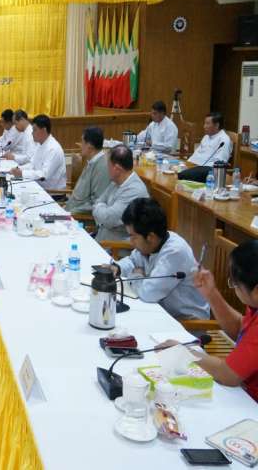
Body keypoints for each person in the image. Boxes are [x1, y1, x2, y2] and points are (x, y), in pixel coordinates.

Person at [158, 240, 258, 400]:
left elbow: (228, 374)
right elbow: (241, 329)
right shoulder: (254, 303)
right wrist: (210, 293)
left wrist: (184, 353)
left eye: (234, 283)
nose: (234, 287)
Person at [111, 198, 209, 320]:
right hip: (161, 311)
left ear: (150, 237)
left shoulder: (175, 252)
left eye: (133, 237)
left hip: (187, 322)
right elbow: (133, 261)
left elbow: (148, 293)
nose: (131, 242)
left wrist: (136, 276)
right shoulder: (152, 243)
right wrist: (118, 268)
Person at [92, 145, 149, 242]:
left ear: (117, 169)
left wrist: (100, 208)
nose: (107, 169)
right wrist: (102, 209)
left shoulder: (134, 191)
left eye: (108, 166)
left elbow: (109, 219)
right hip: (102, 237)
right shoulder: (116, 181)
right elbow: (97, 202)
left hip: (115, 246)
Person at [10, 114, 66, 191]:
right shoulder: (40, 144)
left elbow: (43, 175)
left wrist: (22, 173)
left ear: (43, 130)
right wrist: (17, 169)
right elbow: (32, 165)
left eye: (34, 130)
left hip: (51, 192)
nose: (32, 133)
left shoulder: (53, 149)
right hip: (39, 186)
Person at [65, 127, 110, 214]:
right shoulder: (92, 161)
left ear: (90, 146)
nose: (80, 145)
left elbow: (96, 203)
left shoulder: (103, 167)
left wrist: (70, 213)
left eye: (82, 142)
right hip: (70, 209)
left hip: (78, 216)